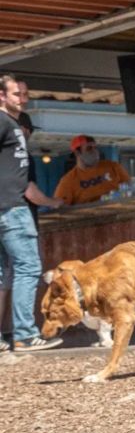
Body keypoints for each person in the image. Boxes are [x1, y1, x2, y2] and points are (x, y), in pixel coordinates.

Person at [0, 75, 62, 352]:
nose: (23, 99)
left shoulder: (12, 125)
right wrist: (53, 202)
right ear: (1, 96)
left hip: (7, 208)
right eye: (17, 94)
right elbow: (28, 188)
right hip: (13, 208)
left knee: (4, 274)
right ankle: (24, 335)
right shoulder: (4, 122)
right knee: (28, 268)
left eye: (25, 94)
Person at [53, 134, 131, 205]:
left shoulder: (113, 166)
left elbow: (130, 189)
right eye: (89, 148)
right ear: (77, 153)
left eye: (95, 148)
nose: (94, 151)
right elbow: (60, 207)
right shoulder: (68, 181)